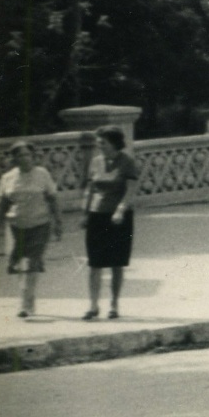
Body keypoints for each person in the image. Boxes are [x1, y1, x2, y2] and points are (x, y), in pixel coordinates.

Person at [0, 141, 63, 318]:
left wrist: (58, 223)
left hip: (40, 225)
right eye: (20, 156)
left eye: (27, 155)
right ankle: (26, 299)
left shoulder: (42, 174)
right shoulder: (8, 178)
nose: (24, 159)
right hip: (16, 227)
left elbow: (53, 199)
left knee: (31, 262)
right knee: (20, 264)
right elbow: (1, 205)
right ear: (14, 159)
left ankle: (26, 303)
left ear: (33, 157)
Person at [82, 126, 138, 320]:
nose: (99, 146)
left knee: (116, 263)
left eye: (102, 142)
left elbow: (130, 190)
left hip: (119, 217)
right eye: (98, 142)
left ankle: (114, 304)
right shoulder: (95, 162)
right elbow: (90, 189)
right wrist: (85, 213)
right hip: (97, 215)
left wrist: (120, 210)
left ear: (114, 143)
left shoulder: (127, 162)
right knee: (94, 263)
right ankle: (93, 305)